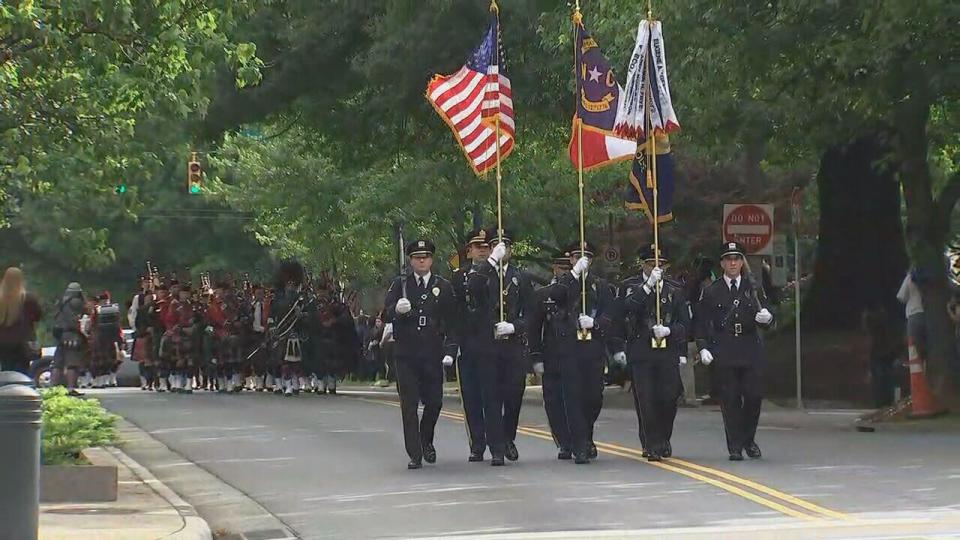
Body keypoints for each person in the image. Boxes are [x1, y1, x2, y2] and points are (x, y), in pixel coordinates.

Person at [528, 241, 616, 464]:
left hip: (592, 350)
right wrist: (574, 274)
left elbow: (610, 316)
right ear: (571, 260)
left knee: (593, 398)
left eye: (585, 256)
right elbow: (556, 295)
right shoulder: (563, 286)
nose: (581, 260)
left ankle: (585, 436)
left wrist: (595, 324)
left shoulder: (600, 286)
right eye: (577, 257)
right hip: (567, 352)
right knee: (572, 399)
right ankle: (578, 445)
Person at [382, 239, 458, 469]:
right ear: (411, 260)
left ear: (431, 260)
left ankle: (426, 439)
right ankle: (414, 453)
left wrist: (450, 350)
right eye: (417, 257)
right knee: (409, 405)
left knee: (434, 402)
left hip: (432, 353)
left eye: (425, 257)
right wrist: (396, 309)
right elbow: (384, 315)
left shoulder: (442, 286)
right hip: (406, 353)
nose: (421, 260)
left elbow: (452, 322)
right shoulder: (400, 285)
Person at [696, 241, 774, 461]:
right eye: (728, 259)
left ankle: (748, 439)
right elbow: (701, 323)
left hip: (750, 348)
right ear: (722, 263)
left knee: (753, 396)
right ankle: (735, 446)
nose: (733, 263)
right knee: (730, 400)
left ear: (742, 262)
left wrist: (767, 319)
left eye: (737, 259)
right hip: (725, 348)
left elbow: (768, 312)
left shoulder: (753, 287)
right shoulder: (712, 291)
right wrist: (703, 347)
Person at [467, 229, 534, 466]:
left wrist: (515, 327)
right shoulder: (481, 273)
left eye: (505, 244)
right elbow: (472, 290)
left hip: (513, 345)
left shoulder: (521, 277)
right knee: (491, 397)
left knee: (514, 395)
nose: (501, 248)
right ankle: (496, 447)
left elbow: (531, 313)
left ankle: (508, 437)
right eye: (496, 244)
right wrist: (491, 260)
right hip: (488, 344)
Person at [619, 245, 689, 461]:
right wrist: (648, 286)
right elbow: (626, 310)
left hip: (667, 351)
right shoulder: (631, 286)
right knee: (646, 399)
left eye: (660, 264)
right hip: (642, 351)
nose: (656, 268)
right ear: (642, 264)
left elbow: (685, 323)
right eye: (651, 264)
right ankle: (651, 443)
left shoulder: (675, 288)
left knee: (669, 397)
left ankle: (663, 437)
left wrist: (672, 333)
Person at [451, 228, 492, 462]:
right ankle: (477, 444)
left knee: (493, 396)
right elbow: (453, 312)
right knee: (472, 397)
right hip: (467, 343)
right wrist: (453, 342)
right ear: (469, 251)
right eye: (478, 247)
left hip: (491, 342)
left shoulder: (497, 274)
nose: (483, 251)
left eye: (486, 247)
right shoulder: (458, 277)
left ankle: (500, 440)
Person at [0, 268, 43, 375]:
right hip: (23, 342)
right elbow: (38, 316)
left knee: (6, 370)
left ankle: (6, 389)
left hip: (3, 342)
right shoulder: (29, 298)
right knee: (22, 372)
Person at [53, 282, 88, 396]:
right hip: (72, 334)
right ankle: (70, 388)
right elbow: (85, 311)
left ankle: (53, 388)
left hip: (60, 334)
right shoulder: (76, 302)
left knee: (58, 363)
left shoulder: (61, 302)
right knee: (72, 363)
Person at [897, 268, 926, 359]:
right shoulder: (929, 275)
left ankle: (918, 371)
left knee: (914, 348)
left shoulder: (910, 276)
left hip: (914, 313)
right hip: (927, 314)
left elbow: (901, 296)